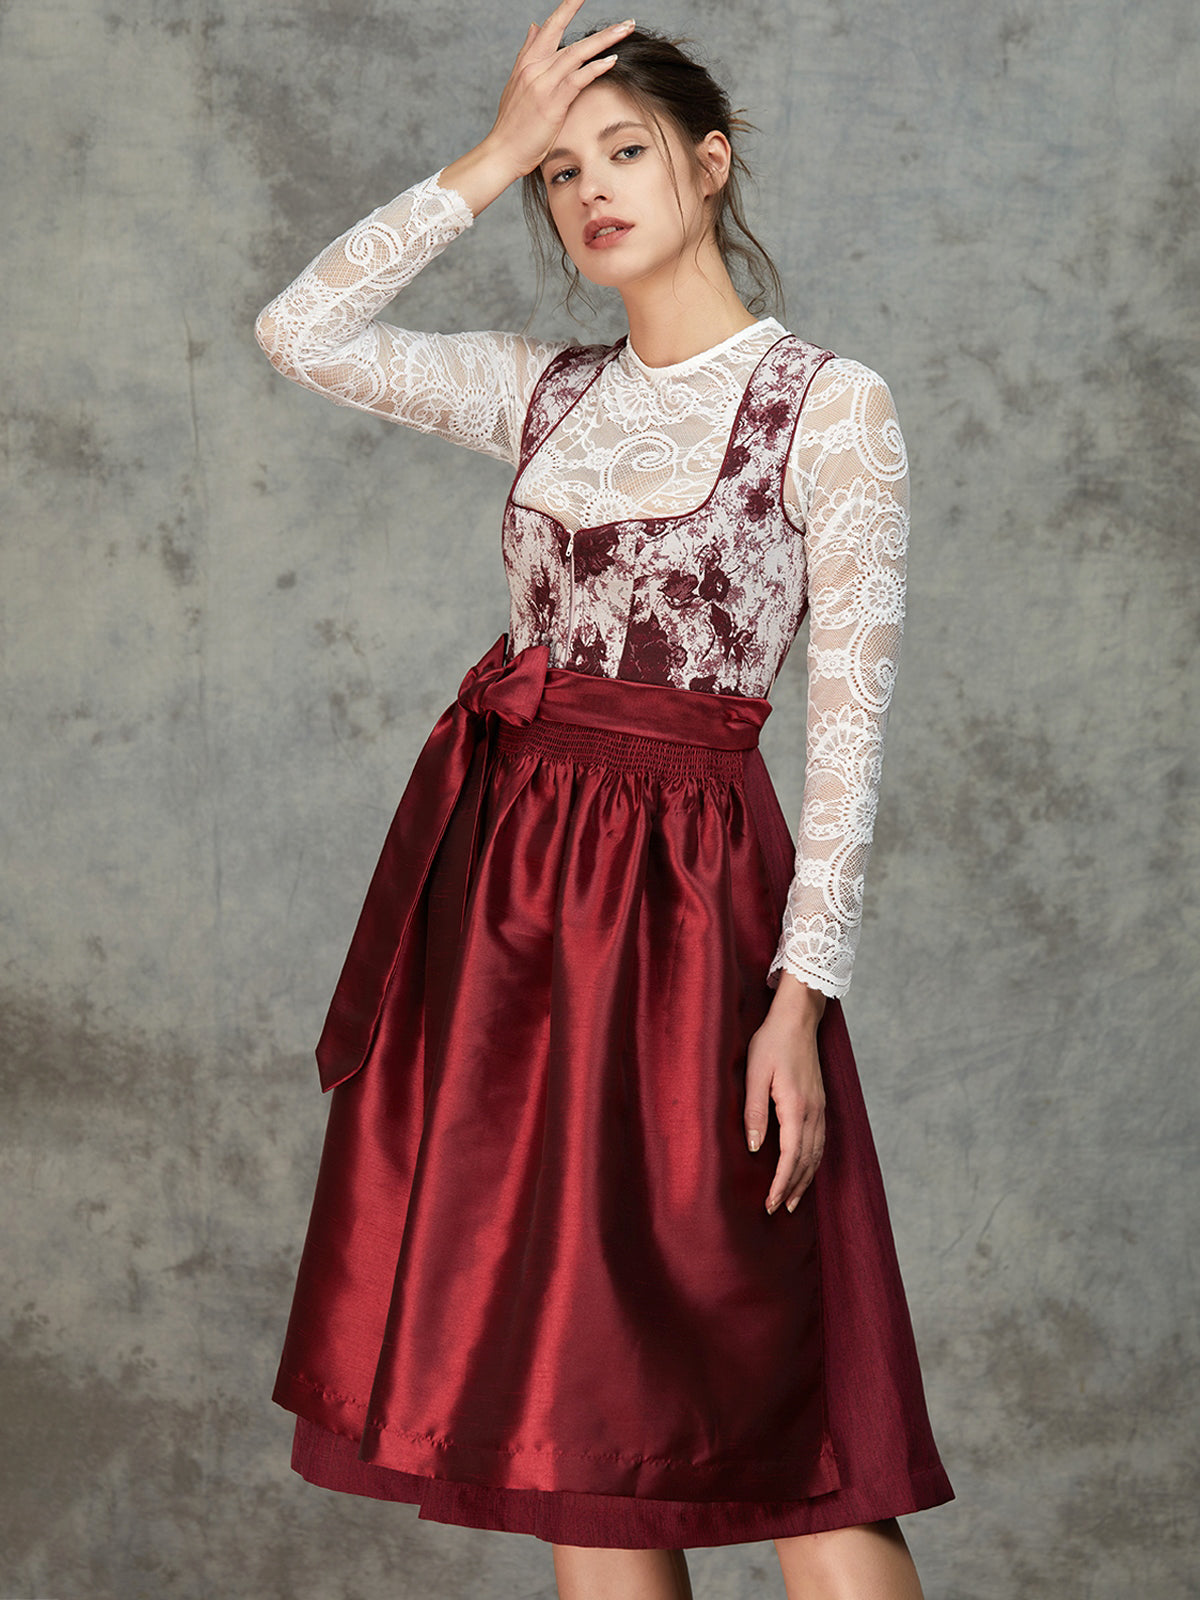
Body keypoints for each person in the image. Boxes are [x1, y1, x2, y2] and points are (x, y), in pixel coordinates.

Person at [254, 4, 952, 1596]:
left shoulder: (827, 407)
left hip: (695, 914)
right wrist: (486, 156)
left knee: (783, 1411)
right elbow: (303, 331)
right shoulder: (541, 392)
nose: (589, 192)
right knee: (578, 1422)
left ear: (710, 164)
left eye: (623, 152)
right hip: (508, 920)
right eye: (559, 173)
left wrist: (799, 1003)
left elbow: (849, 737)